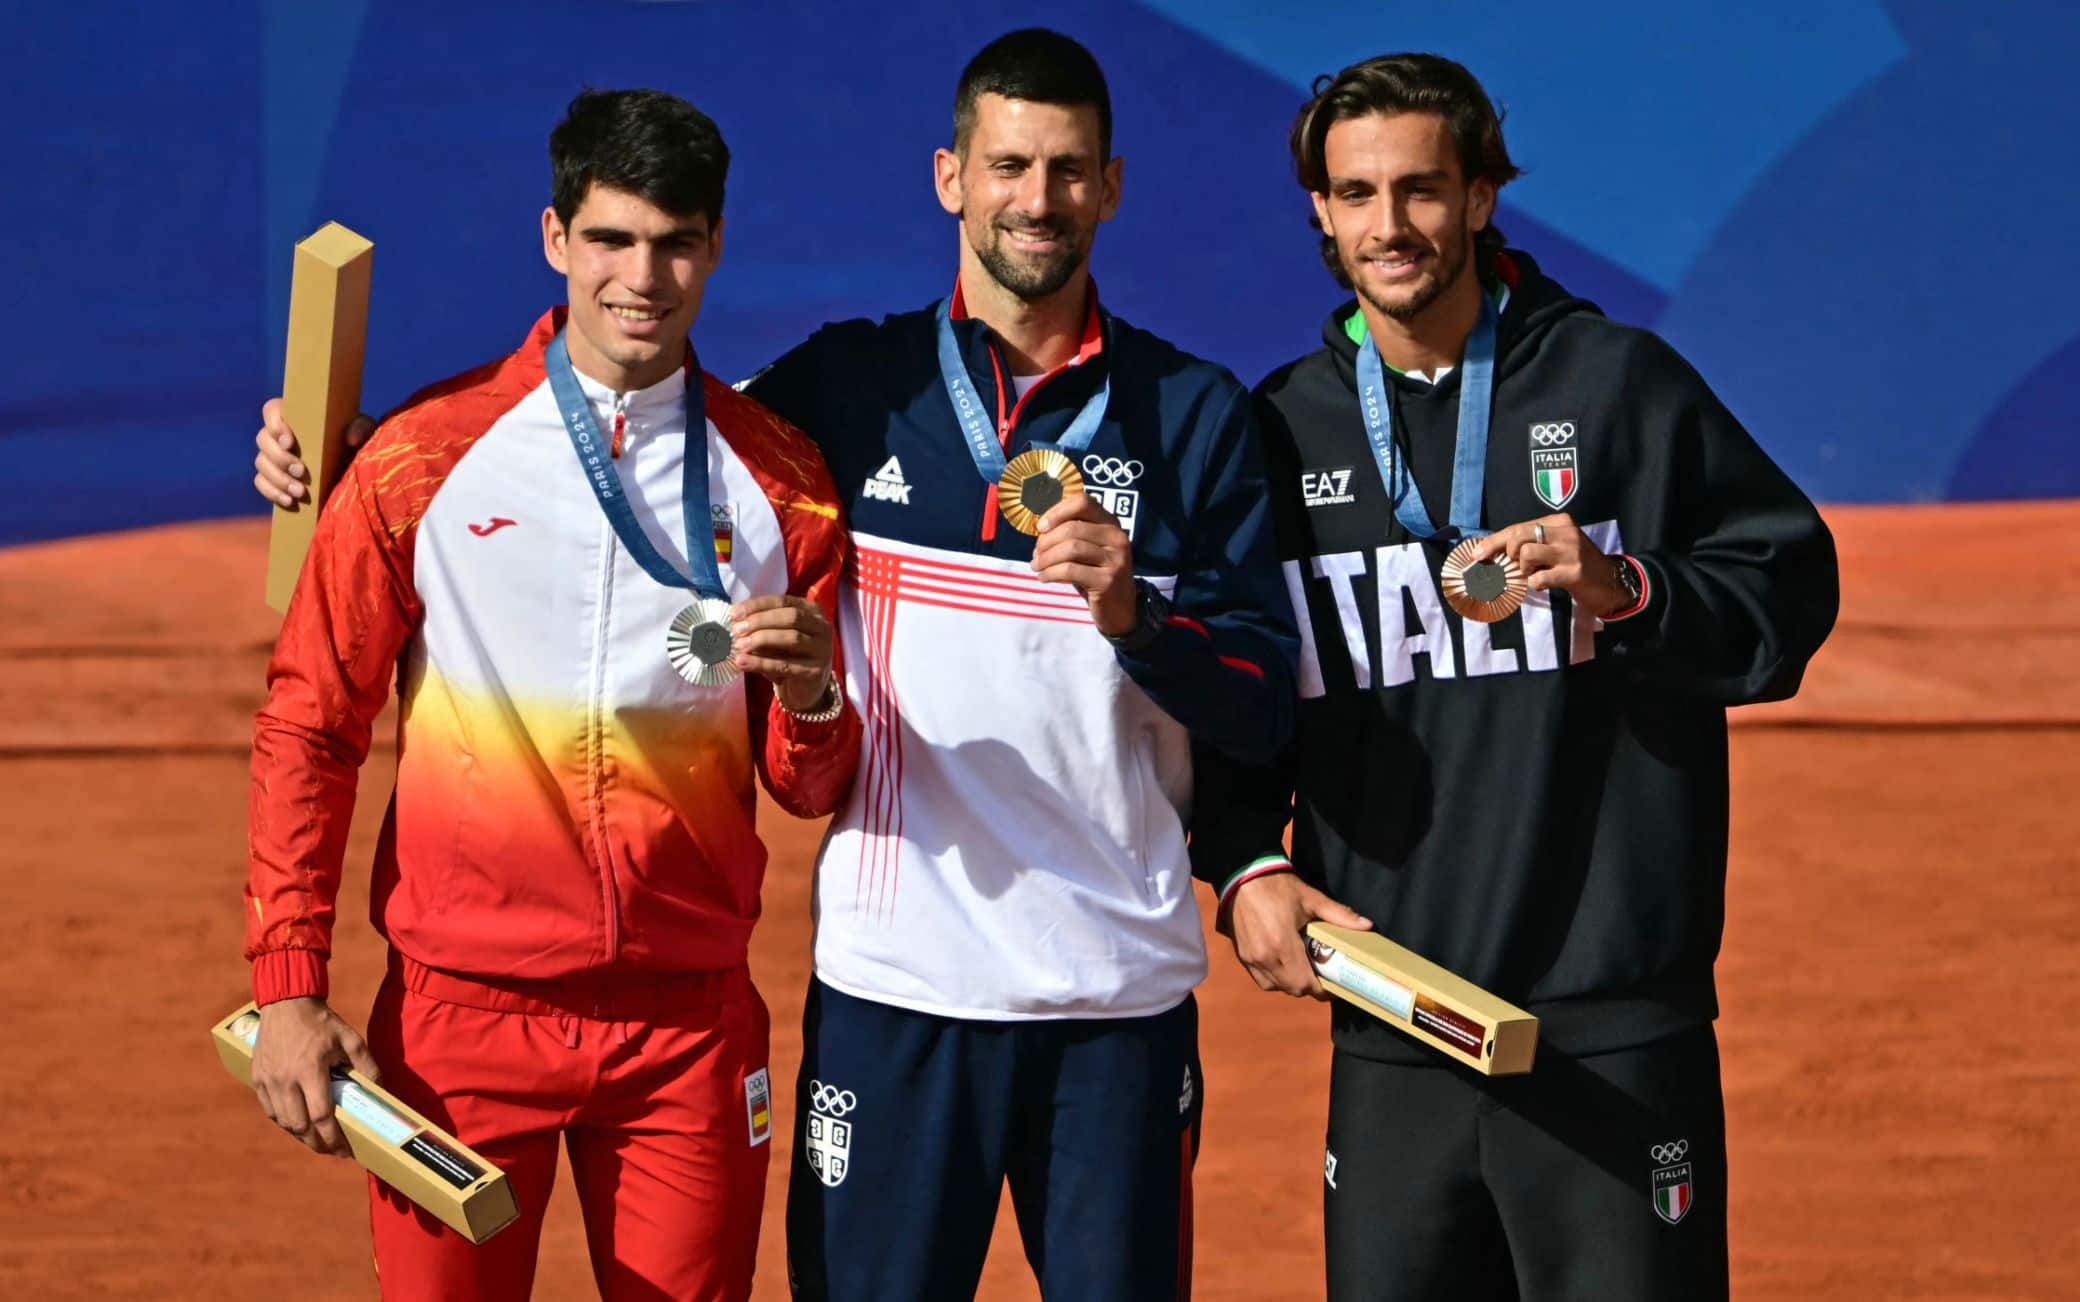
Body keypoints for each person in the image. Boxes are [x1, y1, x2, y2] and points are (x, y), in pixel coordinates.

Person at [256, 31, 1296, 1301]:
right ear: (948, 176)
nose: (1038, 197)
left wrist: (834, 690)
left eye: (1068, 168)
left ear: (1110, 186)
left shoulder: (1149, 420)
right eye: (1009, 163)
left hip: (949, 1011)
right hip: (686, 1004)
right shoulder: (807, 407)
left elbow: (1242, 702)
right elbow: (335, 700)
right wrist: (349, 460)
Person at [1189, 53, 1840, 1301]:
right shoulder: (1281, 430)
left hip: (1608, 1030)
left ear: (1481, 198)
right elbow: (1236, 690)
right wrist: (1245, 863)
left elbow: (1786, 594)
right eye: (1357, 194)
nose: (1391, 226)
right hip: (1394, 1018)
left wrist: (1627, 585)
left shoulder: (1615, 386)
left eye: (1423, 190)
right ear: (1321, 214)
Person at [244, 88, 858, 1301]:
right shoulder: (419, 459)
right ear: (554, 238)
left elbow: (806, 787)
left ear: (716, 245)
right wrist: (287, 988)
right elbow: (311, 723)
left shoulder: (783, 485)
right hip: (458, 1027)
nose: (645, 276)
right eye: (612, 239)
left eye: (677, 241)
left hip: (685, 1034)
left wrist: (815, 702)